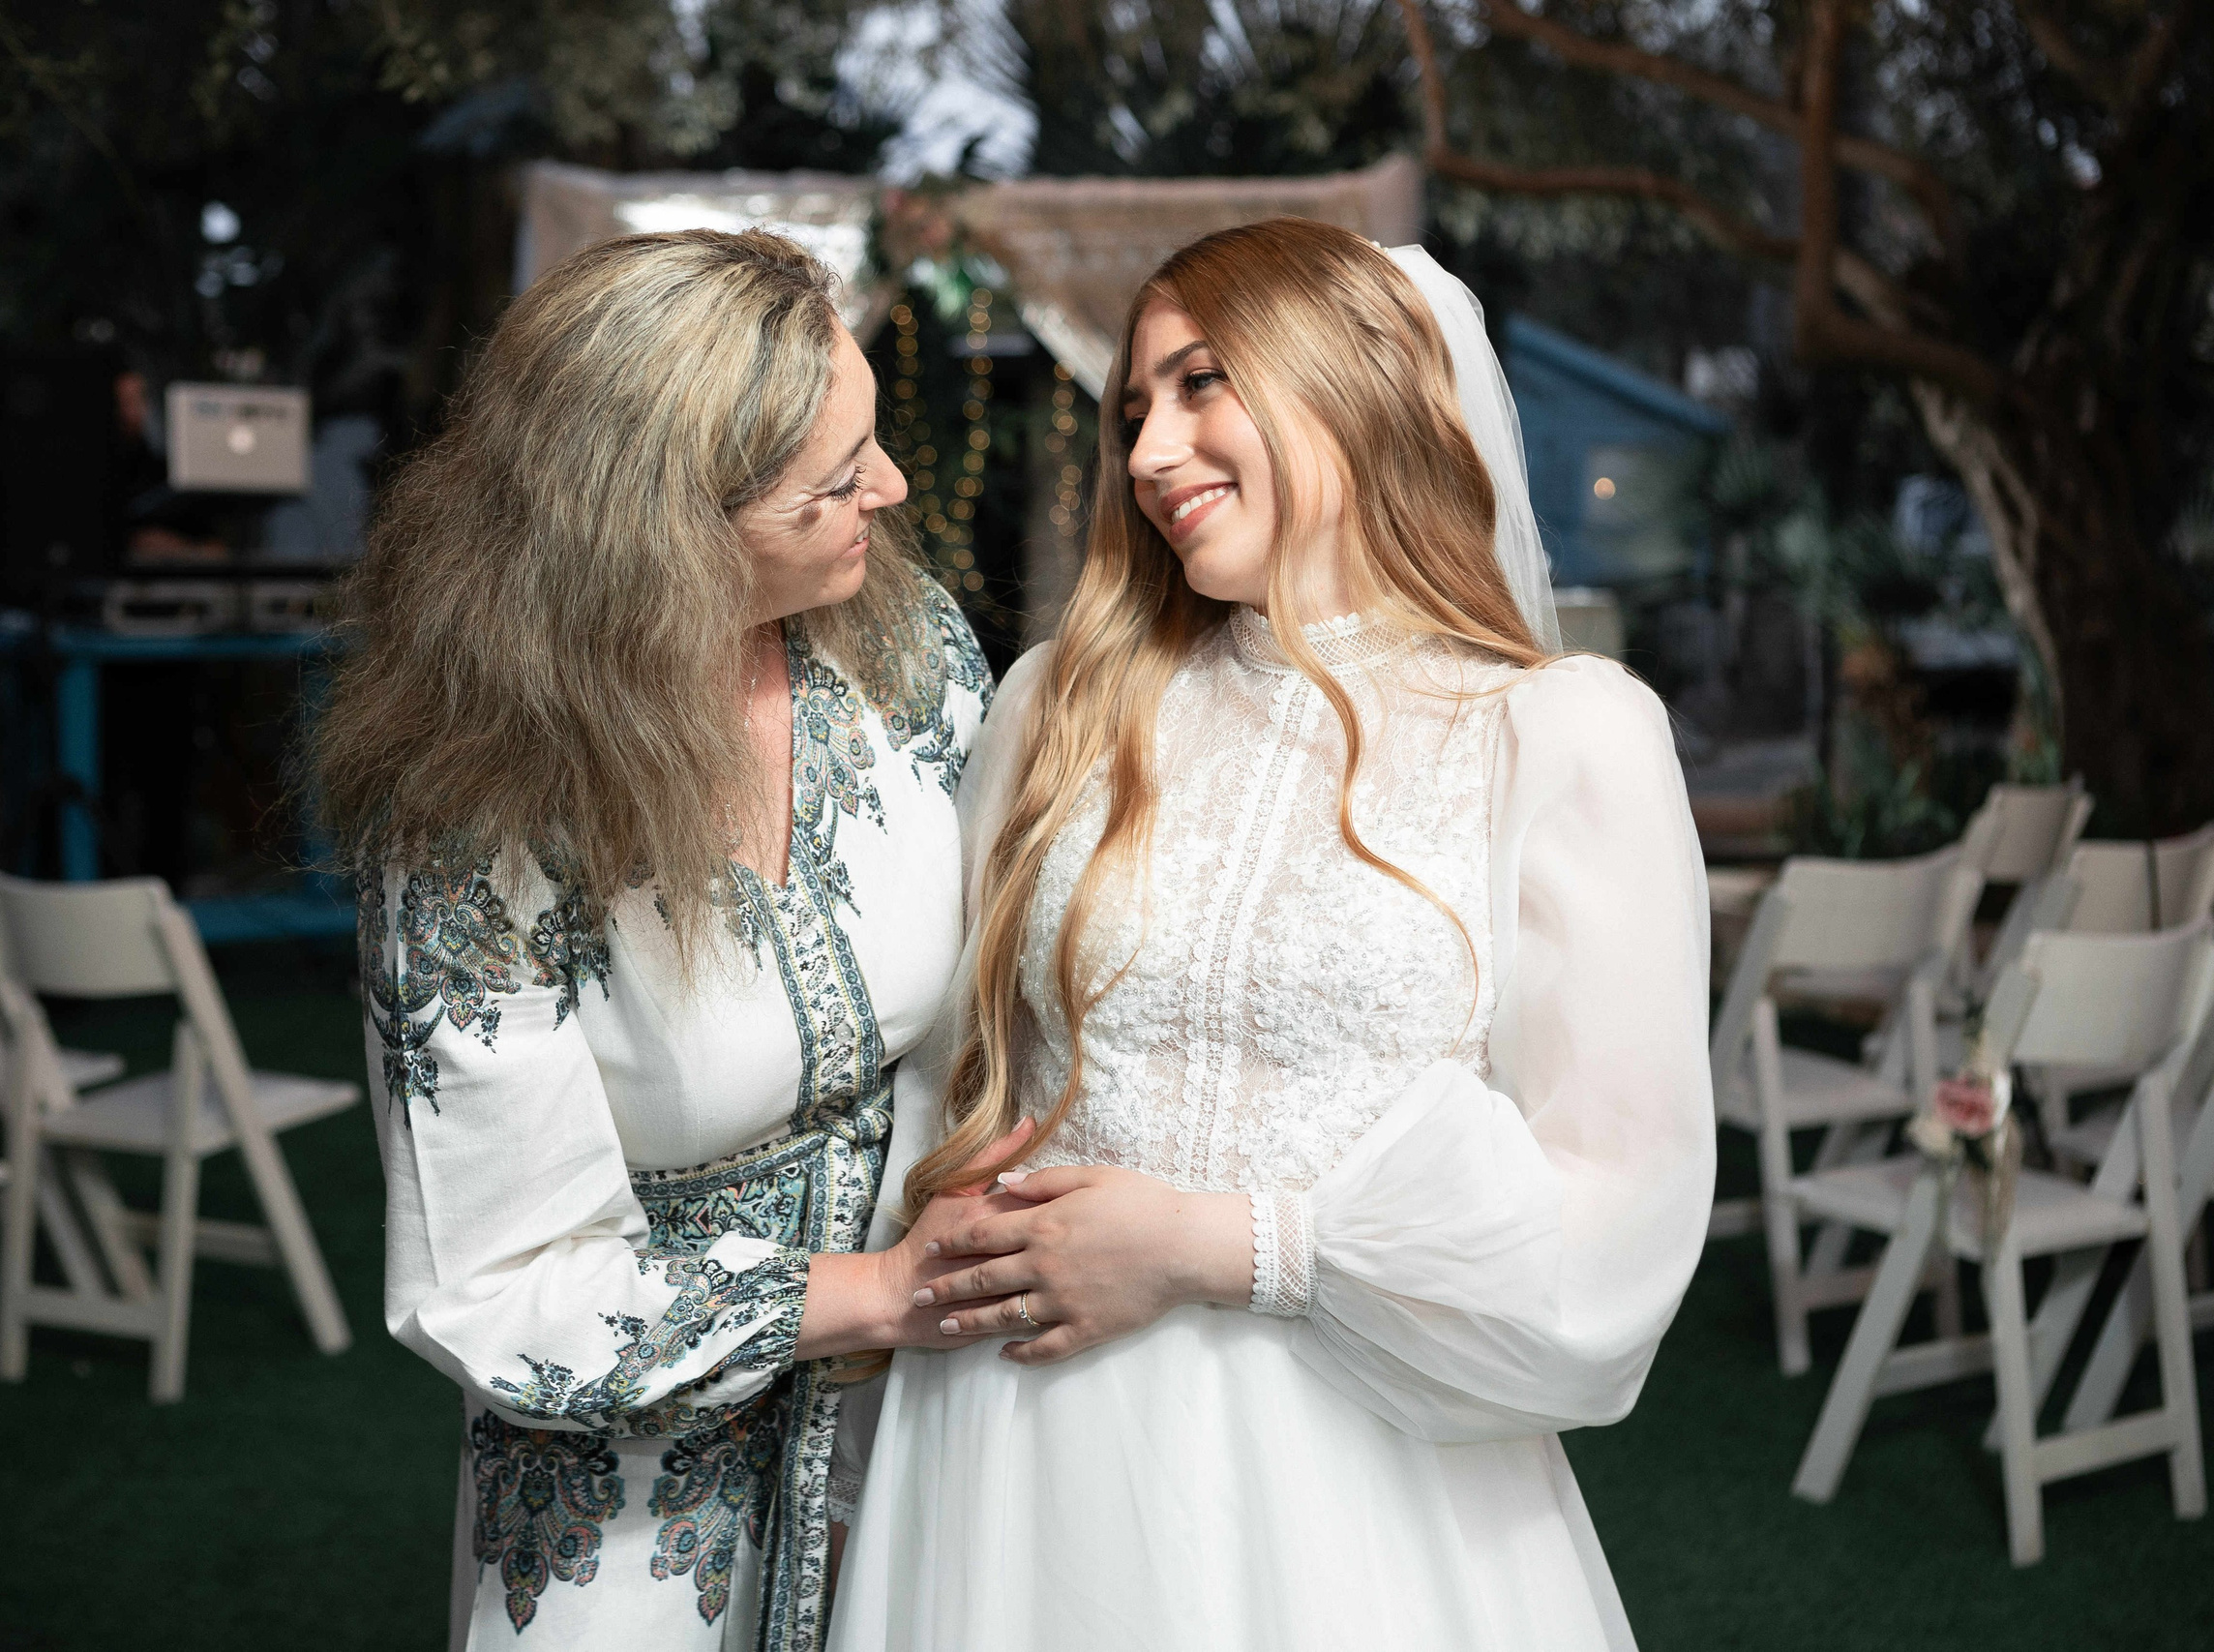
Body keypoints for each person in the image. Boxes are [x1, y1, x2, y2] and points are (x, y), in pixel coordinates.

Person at [830, 219, 1716, 1651]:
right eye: (1133, 413)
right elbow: (952, 1070)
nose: (1150, 453)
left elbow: (1615, 1223)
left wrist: (1219, 1246)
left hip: (1354, 1475)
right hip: (1017, 1441)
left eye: (1201, 385)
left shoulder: (1558, 733)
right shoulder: (1058, 701)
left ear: (1350, 382)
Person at [311, 228, 1023, 1652]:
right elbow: (497, 1289)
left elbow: (1006, 953)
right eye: (835, 481)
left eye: (873, 443)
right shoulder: (472, 817)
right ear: (663, 533)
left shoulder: (905, 647)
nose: (889, 489)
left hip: (928, 1418)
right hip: (630, 1485)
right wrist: (876, 1291)